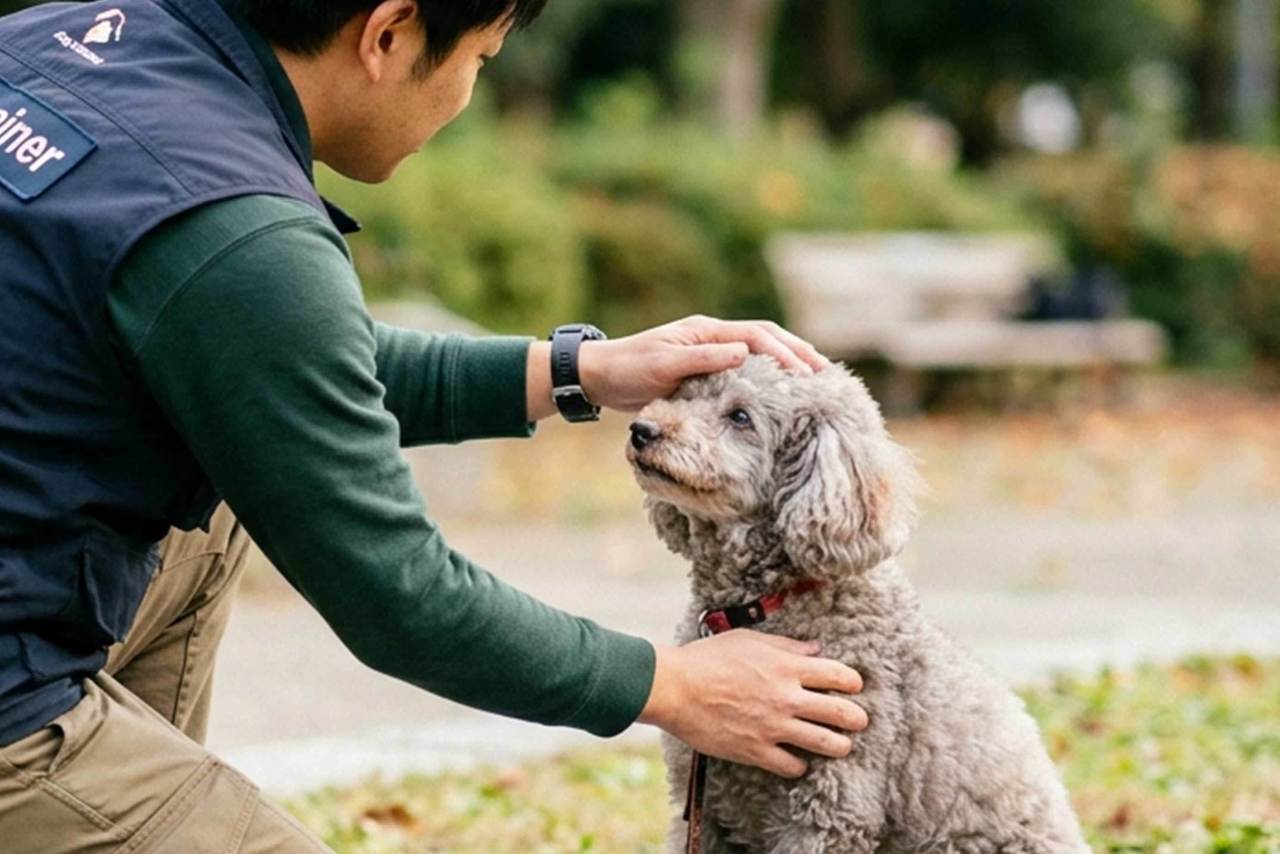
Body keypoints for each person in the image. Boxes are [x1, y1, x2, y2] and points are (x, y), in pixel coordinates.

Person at [0, 1, 869, 849]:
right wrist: (672, 685)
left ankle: (126, 789)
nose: (466, 97)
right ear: (388, 33)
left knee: (216, 495)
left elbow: (279, 366)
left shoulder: (68, 38)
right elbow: (400, 597)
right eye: (479, 61)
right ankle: (79, 786)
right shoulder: (232, 221)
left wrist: (580, 372)